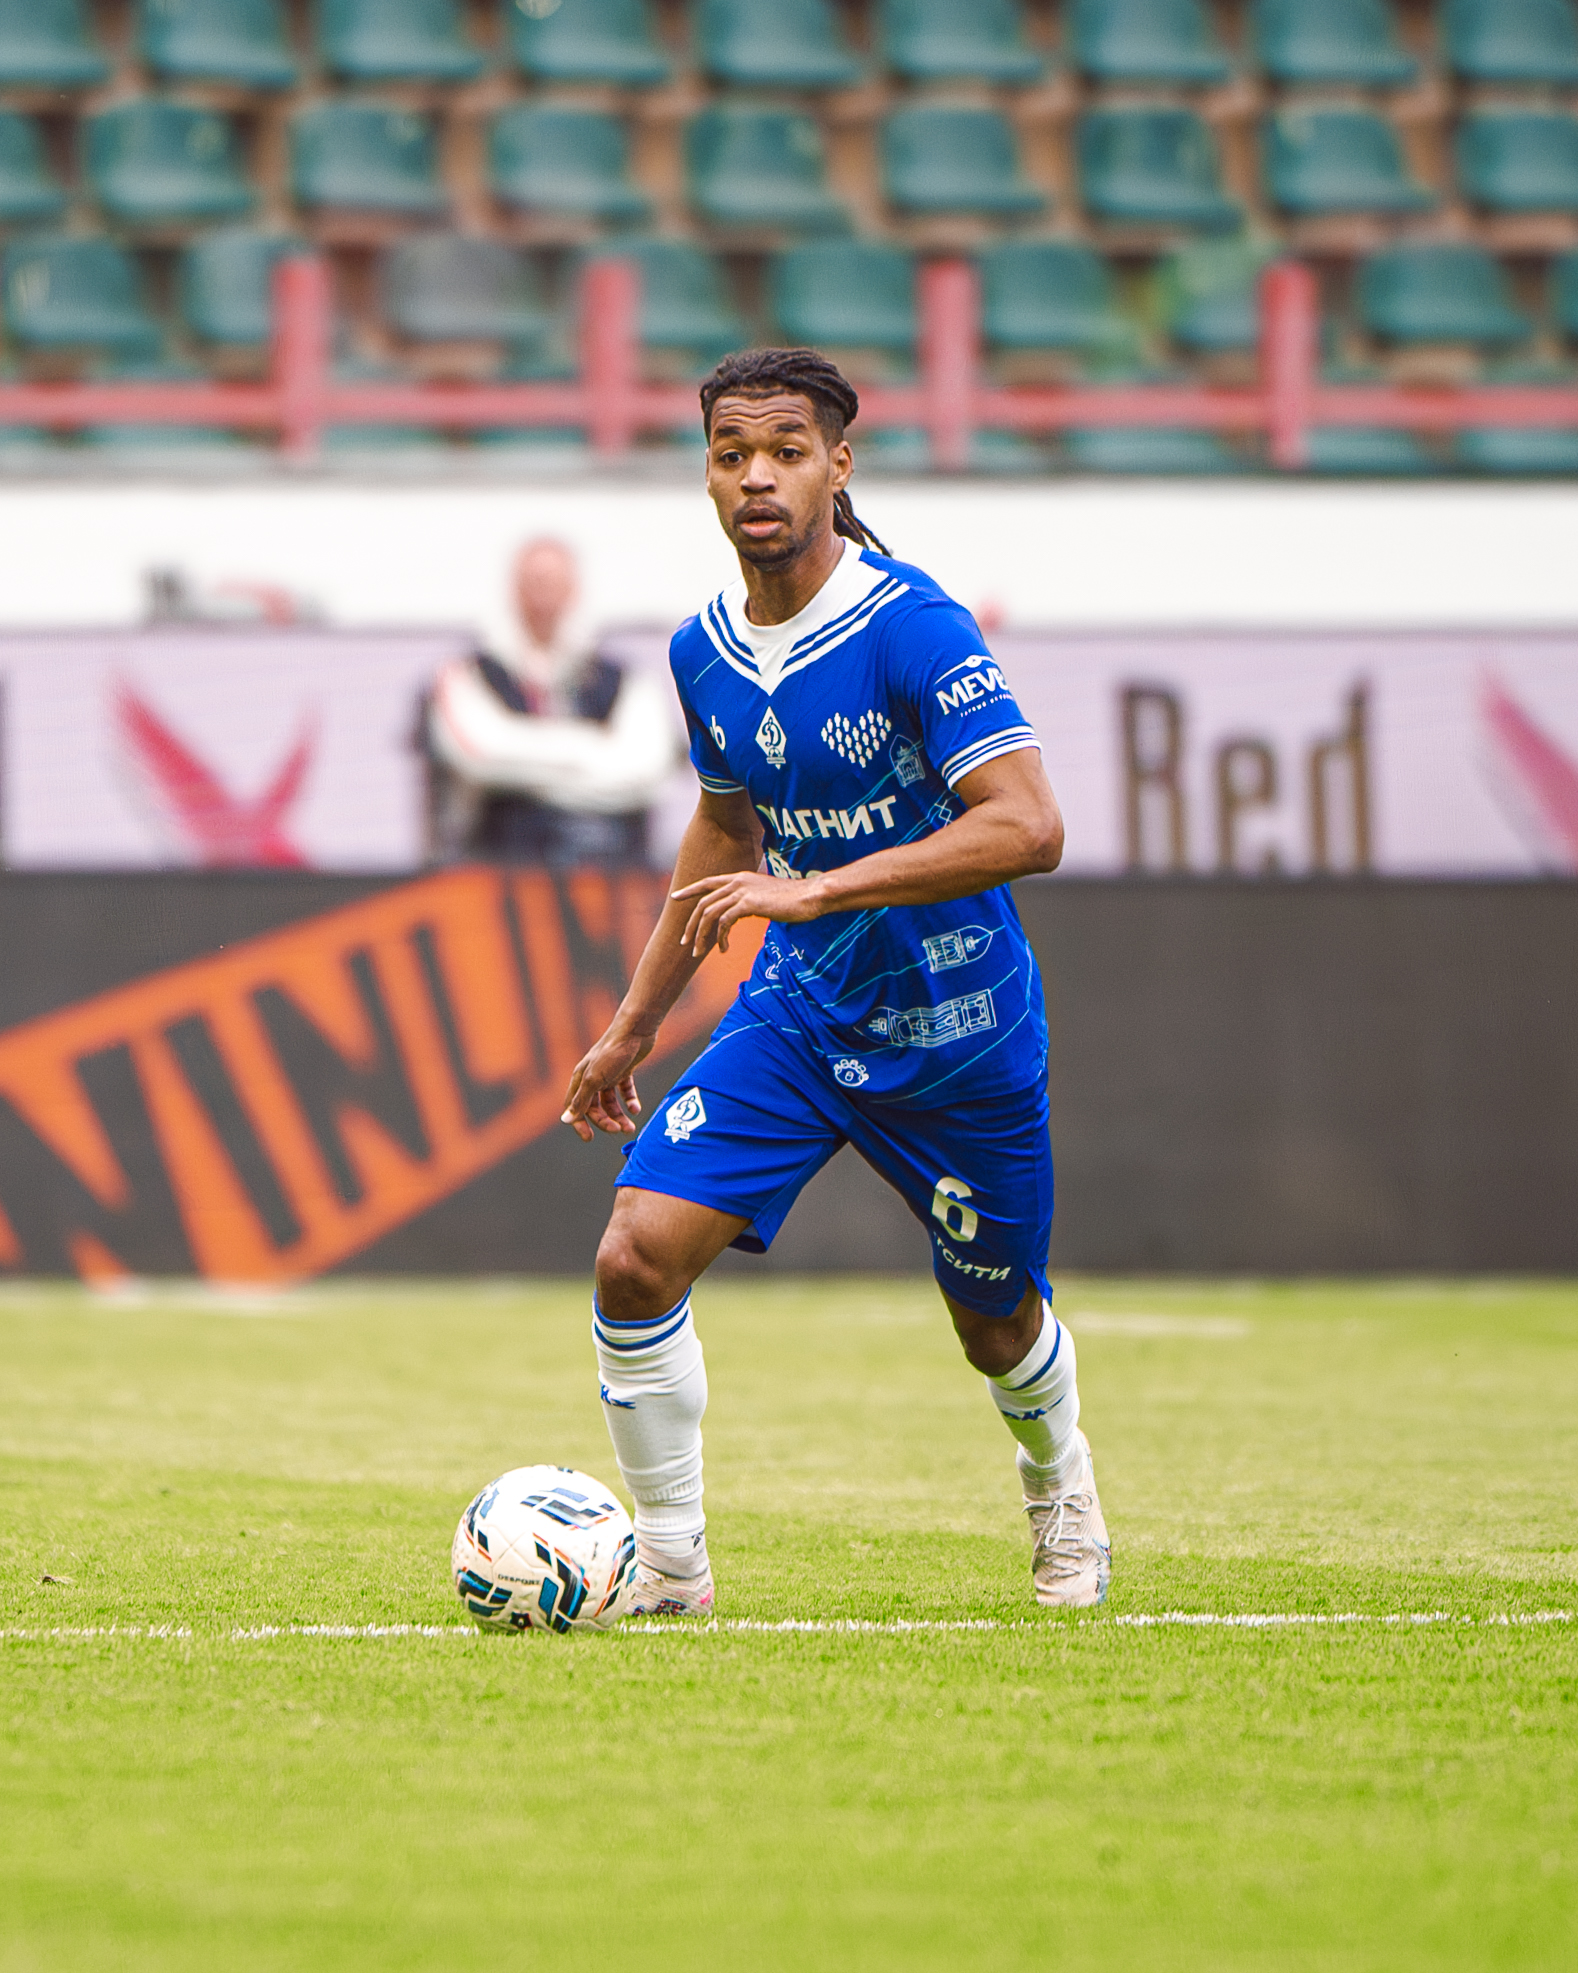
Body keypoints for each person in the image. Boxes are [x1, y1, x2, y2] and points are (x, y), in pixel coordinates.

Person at [559, 348, 1110, 1616]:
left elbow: (1029, 823)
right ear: (706, 475)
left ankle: (1059, 1479)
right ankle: (671, 1568)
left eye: (787, 451)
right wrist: (632, 1026)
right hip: (802, 1019)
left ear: (838, 464)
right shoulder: (702, 651)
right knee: (634, 1257)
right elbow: (722, 832)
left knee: (996, 1325)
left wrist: (816, 889)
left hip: (959, 1030)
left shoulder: (912, 624)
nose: (757, 476)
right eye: (731, 453)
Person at [426, 536, 678, 864]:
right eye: (534, 581)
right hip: (502, 873)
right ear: (514, 589)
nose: (543, 594)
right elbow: (481, 755)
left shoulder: (626, 680)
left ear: (574, 589)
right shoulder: (467, 675)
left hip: (614, 873)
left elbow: (647, 768)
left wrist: (527, 770)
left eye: (553, 582)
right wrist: (595, 749)